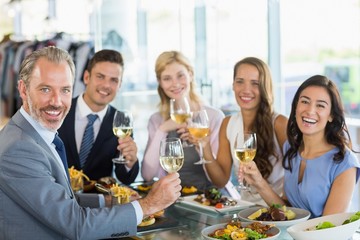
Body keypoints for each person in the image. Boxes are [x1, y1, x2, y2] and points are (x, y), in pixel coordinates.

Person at [0, 46, 181, 239]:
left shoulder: (37, 133)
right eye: (45, 89)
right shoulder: (20, 148)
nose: (56, 101)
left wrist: (110, 201)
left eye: (65, 90)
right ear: (23, 89)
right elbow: (76, 224)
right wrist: (148, 205)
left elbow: (62, 199)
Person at [243, 75, 360, 218]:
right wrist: (258, 182)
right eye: (305, 101)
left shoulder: (344, 163)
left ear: (331, 116)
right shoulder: (290, 149)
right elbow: (289, 212)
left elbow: (328, 228)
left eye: (320, 105)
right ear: (296, 106)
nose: (310, 111)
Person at [201, 57, 288, 205]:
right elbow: (220, 181)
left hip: (277, 211)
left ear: (265, 88)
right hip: (245, 211)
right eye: (240, 81)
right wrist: (205, 147)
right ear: (233, 85)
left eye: (255, 83)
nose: (246, 90)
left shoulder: (280, 124)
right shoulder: (227, 123)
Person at [141, 50, 225, 190]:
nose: (175, 84)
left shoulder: (213, 117)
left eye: (180, 76)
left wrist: (201, 145)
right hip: (171, 199)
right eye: (167, 78)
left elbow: (218, 180)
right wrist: (162, 129)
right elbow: (147, 175)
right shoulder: (156, 120)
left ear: (190, 75)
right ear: (160, 82)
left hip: (208, 200)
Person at [58, 49, 139, 184]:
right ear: (86, 77)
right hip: (57, 199)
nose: (106, 85)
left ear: (119, 85)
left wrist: (130, 161)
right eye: (100, 76)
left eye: (113, 80)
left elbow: (126, 178)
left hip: (99, 202)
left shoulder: (121, 122)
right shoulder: (60, 110)